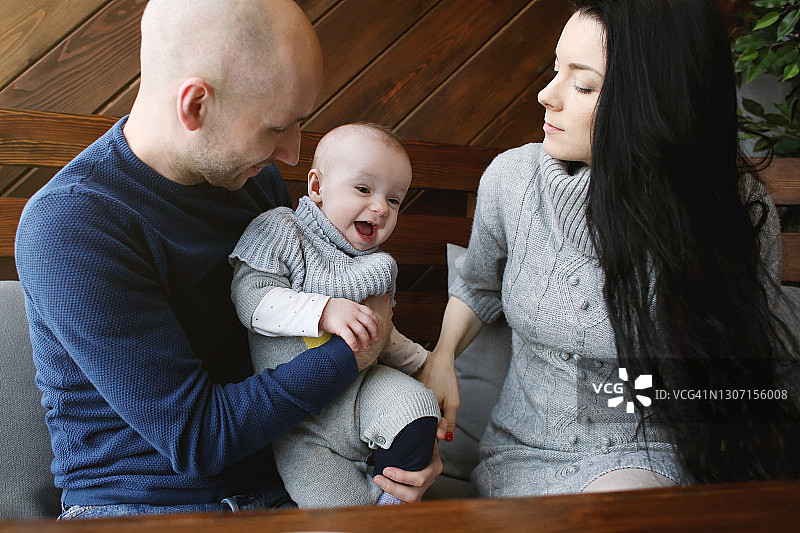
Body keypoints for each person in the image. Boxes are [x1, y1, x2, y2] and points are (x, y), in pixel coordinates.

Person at [14, 0, 441, 519]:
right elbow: (199, 440)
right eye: (276, 128)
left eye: (299, 124)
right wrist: (356, 350)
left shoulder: (251, 179)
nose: (291, 153)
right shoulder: (74, 224)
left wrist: (406, 441)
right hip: (148, 506)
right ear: (196, 105)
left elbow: (300, 332)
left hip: (290, 478)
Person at [418, 0, 800, 497]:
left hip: (655, 457)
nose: (546, 95)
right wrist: (442, 356)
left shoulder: (731, 207)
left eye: (582, 85)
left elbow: (750, 362)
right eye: (556, 70)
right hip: (520, 457)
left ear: (652, 100)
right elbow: (477, 286)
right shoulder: (513, 181)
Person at [229, 123, 443, 507]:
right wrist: (324, 309)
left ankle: (394, 506)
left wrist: (426, 363)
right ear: (317, 187)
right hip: (299, 423)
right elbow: (251, 300)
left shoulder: (377, 266)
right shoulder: (282, 230)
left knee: (417, 409)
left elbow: (380, 332)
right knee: (338, 512)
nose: (380, 207)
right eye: (363, 189)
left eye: (394, 200)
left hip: (363, 392)